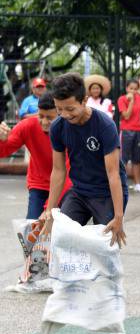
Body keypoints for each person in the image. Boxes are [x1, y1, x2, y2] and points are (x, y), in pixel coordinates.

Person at [41, 73, 127, 247]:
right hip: (79, 191)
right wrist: (49, 210)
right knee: (61, 236)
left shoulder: (105, 125)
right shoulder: (58, 127)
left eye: (70, 109)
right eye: (59, 109)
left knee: (104, 247)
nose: (64, 114)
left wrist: (119, 217)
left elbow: (113, 173)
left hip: (106, 194)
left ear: (84, 100)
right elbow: (58, 170)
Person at [0, 92, 71, 219]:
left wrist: (49, 208)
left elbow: (66, 172)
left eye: (49, 118)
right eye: (41, 116)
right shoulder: (27, 125)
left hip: (66, 184)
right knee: (33, 228)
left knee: (61, 230)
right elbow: (3, 151)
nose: (44, 122)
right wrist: (2, 140)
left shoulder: (71, 128)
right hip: (39, 184)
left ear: (60, 114)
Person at [117, 79, 140, 193]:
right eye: (131, 88)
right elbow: (127, 116)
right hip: (127, 131)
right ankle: (122, 184)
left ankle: (137, 183)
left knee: (137, 158)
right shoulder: (122, 99)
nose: (133, 91)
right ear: (126, 88)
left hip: (139, 130)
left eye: (135, 88)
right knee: (124, 158)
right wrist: (132, 102)